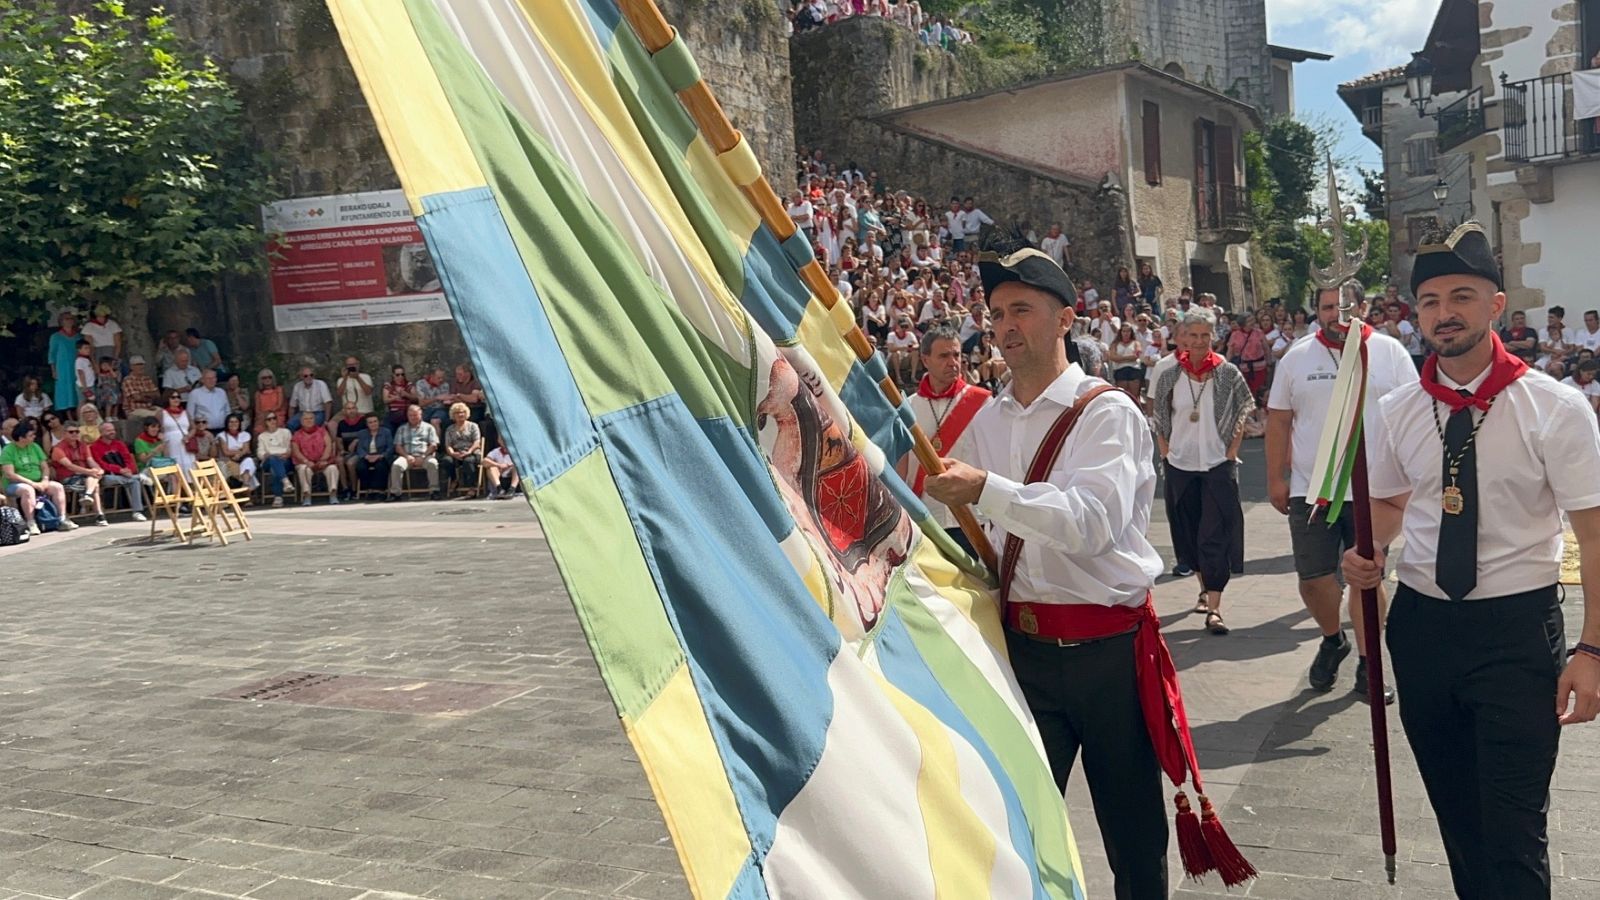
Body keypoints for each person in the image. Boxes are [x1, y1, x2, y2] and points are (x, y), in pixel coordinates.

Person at [926, 240, 1251, 897]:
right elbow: (965, 527)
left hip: (1109, 656)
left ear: (1065, 321)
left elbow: (1087, 524)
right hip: (1024, 656)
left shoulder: (1108, 413)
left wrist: (985, 488)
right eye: (996, 314)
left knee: (1132, 840)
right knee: (1010, 830)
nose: (1006, 326)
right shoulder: (989, 418)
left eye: (1021, 309)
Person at [1344, 223, 1600, 898]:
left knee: (1514, 831)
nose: (1444, 312)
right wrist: (1368, 552)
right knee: (1459, 822)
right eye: (1429, 300)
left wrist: (1593, 649)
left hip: (1517, 634)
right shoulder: (1398, 410)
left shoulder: (1556, 409)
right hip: (1424, 629)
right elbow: (1395, 505)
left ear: (1495, 305)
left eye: (1462, 295)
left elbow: (1596, 536)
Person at [1267, 283, 1416, 702]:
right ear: (1316, 311)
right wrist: (1276, 479)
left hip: (1377, 491)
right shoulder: (1297, 357)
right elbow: (1278, 420)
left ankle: (1370, 665)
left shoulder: (1390, 353)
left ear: (1363, 307)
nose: (1337, 314)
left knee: (1368, 577)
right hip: (1312, 489)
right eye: (1328, 307)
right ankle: (1333, 639)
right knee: (1314, 581)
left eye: (1345, 306)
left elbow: (1412, 414)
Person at [1151, 307, 1252, 635]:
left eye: (1204, 336)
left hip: (1216, 465)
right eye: (1192, 335)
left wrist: (1231, 451)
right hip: (1180, 464)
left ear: (1213, 337)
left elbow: (1241, 410)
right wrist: (1166, 452)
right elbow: (1160, 415)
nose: (1198, 341)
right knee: (1189, 531)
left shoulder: (1226, 371)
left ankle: (1215, 609)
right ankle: (1203, 589)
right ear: (1181, 337)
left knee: (1215, 532)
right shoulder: (1167, 371)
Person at [898, 326, 990, 552]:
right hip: (925, 516)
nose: (953, 362)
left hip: (971, 518)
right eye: (944, 356)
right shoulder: (907, 407)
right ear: (925, 360)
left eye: (957, 355)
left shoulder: (983, 404)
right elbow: (902, 466)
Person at [1, 420, 76, 535]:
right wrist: (32, 483)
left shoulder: (35, 446)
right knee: (27, 490)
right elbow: (10, 474)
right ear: (21, 438)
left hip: (39, 481)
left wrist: (45, 480)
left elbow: (45, 467)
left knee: (57, 487)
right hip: (14, 484)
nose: (34, 437)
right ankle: (31, 522)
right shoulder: (8, 450)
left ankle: (62, 519)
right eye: (31, 435)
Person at [51, 422, 107, 526]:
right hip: (68, 477)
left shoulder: (83, 446)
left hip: (84, 475)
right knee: (95, 484)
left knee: (94, 479)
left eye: (77, 431)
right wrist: (90, 471)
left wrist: (98, 469)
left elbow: (90, 461)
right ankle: (99, 515)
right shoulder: (58, 449)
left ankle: (88, 496)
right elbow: (69, 466)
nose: (75, 434)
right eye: (71, 432)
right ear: (64, 434)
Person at [89, 420, 146, 522]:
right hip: (106, 477)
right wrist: (120, 470)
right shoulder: (94, 447)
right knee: (132, 479)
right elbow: (102, 464)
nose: (112, 432)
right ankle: (139, 477)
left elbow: (128, 459)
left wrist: (128, 470)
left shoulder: (119, 444)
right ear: (101, 433)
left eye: (113, 430)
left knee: (134, 482)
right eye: (108, 430)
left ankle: (137, 512)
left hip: (125, 475)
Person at [389, 405, 440, 501]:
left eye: (415, 415)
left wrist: (424, 456)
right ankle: (395, 493)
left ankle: (434, 491)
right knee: (396, 465)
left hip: (425, 455)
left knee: (433, 463)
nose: (413, 417)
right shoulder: (402, 428)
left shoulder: (429, 427)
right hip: (407, 456)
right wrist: (407, 456)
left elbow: (434, 445)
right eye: (410, 415)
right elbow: (398, 446)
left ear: (421, 415)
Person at [290, 411, 340, 505]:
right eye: (306, 419)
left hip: (323, 461)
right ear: (301, 421)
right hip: (305, 463)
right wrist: (306, 461)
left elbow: (328, 446)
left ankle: (333, 494)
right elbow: (296, 451)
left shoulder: (322, 431)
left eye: (311, 418)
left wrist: (323, 460)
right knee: (303, 469)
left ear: (315, 420)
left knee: (332, 468)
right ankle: (307, 495)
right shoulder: (297, 434)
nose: (308, 421)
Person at [440, 402, 483, 498]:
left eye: (463, 412)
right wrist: (452, 453)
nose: (460, 414)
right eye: (457, 412)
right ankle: (455, 480)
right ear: (453, 415)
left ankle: (472, 487)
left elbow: (477, 442)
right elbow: (448, 445)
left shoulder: (473, 426)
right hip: (456, 453)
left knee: (468, 461)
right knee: (446, 461)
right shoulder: (449, 429)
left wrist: (469, 451)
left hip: (471, 451)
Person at [254, 411, 293, 507]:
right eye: (269, 419)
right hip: (269, 459)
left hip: (284, 459)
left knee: (274, 468)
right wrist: (265, 455)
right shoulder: (262, 436)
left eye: (274, 418)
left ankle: (278, 497)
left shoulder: (285, 432)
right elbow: (260, 452)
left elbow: (290, 447)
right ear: (265, 422)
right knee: (272, 459)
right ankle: (285, 481)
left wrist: (288, 454)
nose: (272, 421)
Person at [331, 401, 368, 500]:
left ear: (357, 410)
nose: (351, 411)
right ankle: (345, 488)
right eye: (348, 409)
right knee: (339, 460)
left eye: (353, 408)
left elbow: (367, 437)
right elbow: (339, 440)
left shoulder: (363, 421)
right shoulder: (342, 424)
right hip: (347, 452)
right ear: (344, 411)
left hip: (360, 451)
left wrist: (356, 440)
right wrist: (342, 449)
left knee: (350, 463)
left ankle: (354, 489)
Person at [351, 413, 394, 499]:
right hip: (367, 456)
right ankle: (368, 489)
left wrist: (380, 456)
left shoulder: (386, 432)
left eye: (375, 421)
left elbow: (390, 447)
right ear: (367, 424)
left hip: (381, 456)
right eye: (370, 422)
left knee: (381, 466)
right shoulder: (362, 433)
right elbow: (359, 448)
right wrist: (366, 456)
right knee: (360, 467)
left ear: (379, 422)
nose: (373, 424)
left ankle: (380, 491)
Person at [47, 312, 82, 416]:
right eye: (66, 319)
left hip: (76, 365)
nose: (69, 320)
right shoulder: (56, 336)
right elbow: (52, 354)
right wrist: (53, 369)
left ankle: (78, 413)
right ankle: (68, 416)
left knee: (77, 388)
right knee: (65, 389)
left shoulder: (78, 336)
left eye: (71, 318)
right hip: (62, 367)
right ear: (61, 322)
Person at [119, 357, 161, 443]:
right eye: (137, 364)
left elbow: (157, 395)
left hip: (149, 407)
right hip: (134, 410)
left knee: (165, 413)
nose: (141, 367)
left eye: (142, 364)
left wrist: (143, 394)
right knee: (156, 414)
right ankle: (157, 437)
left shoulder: (147, 379)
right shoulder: (128, 380)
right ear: (131, 367)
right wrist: (149, 395)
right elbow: (136, 398)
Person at [157, 390, 196, 474]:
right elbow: (156, 428)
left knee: (189, 465)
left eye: (178, 397)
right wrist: (160, 436)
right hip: (170, 443)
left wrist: (188, 436)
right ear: (167, 399)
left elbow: (193, 428)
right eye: (173, 397)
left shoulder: (186, 413)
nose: (176, 399)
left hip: (185, 443)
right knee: (174, 465)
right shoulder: (161, 413)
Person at [216, 413, 257, 491]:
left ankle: (245, 484)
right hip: (228, 461)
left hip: (241, 460)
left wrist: (239, 454)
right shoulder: (222, 436)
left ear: (239, 423)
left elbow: (246, 449)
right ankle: (247, 493)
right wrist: (239, 451)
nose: (233, 424)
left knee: (249, 462)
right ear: (227, 423)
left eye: (236, 422)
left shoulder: (245, 434)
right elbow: (226, 452)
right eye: (231, 422)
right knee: (247, 470)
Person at [1107, 321, 1144, 401]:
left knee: (1134, 396)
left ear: (1131, 332)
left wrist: (1120, 358)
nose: (1126, 333)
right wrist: (1128, 358)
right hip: (1120, 371)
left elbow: (1136, 356)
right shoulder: (1115, 344)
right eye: (1124, 331)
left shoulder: (1136, 343)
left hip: (1134, 370)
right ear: (1121, 332)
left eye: (1128, 331)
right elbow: (1112, 357)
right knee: (1122, 395)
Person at [883, 317, 919, 386]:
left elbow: (917, 345)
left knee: (915, 353)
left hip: (904, 359)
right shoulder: (891, 335)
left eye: (906, 326)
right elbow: (891, 349)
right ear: (897, 326)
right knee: (896, 353)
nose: (904, 328)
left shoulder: (910, 334)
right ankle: (898, 377)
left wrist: (911, 347)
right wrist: (902, 348)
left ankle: (913, 376)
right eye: (902, 326)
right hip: (893, 360)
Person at [483, 434, 518, 500]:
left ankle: (512, 490)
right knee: (491, 468)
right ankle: (499, 489)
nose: (504, 441)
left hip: (512, 476)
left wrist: (508, 465)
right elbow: (484, 461)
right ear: (499, 441)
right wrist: (498, 465)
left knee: (517, 468)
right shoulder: (496, 451)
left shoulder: (516, 450)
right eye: (502, 440)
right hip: (500, 477)